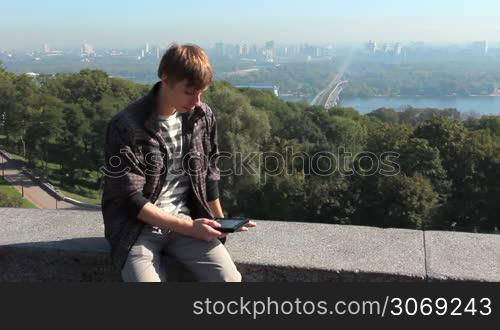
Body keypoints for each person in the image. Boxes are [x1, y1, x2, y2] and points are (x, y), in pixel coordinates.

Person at [101, 44, 256, 282]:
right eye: (189, 91)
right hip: (137, 229)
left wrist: (219, 221)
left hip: (187, 220)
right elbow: (131, 200)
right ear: (165, 78)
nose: (196, 101)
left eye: (201, 92)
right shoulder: (126, 126)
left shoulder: (202, 116)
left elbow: (210, 171)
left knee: (229, 280)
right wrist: (190, 228)